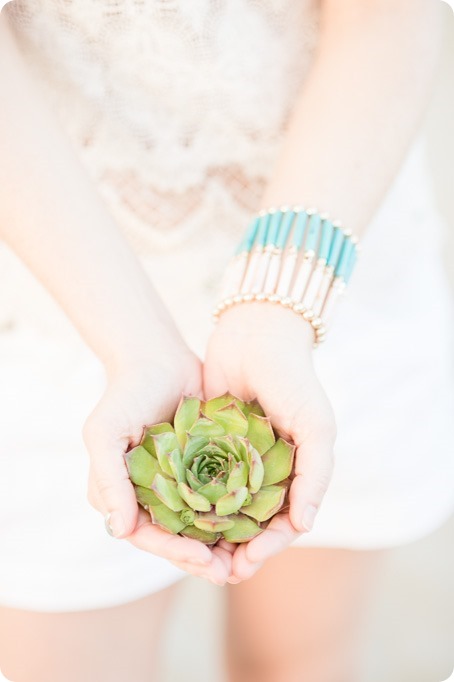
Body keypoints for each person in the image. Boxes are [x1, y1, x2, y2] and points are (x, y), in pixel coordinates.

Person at [0, 1, 453, 681]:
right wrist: (134, 346)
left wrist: (280, 308)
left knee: (302, 661)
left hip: (331, 223)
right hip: (56, 264)